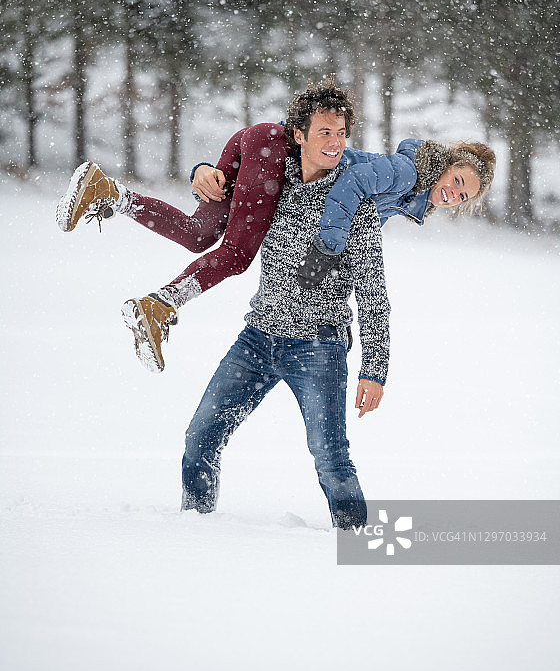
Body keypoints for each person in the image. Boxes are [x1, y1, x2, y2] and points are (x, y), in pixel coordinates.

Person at [56, 87, 495, 372]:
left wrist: (210, 170)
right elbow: (351, 182)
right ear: (447, 166)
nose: (455, 194)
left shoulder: (409, 193)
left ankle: (109, 195)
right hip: (271, 151)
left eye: (464, 197)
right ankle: (159, 306)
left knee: (197, 235)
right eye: (457, 181)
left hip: (260, 141)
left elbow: (353, 206)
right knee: (236, 255)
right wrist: (330, 243)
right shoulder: (405, 173)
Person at [180, 79, 386, 528]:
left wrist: (375, 367)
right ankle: (192, 531)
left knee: (331, 460)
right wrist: (200, 170)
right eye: (325, 132)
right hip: (258, 337)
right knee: (200, 438)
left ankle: (355, 540)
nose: (334, 143)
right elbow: (220, 183)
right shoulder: (273, 180)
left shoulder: (354, 201)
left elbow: (373, 292)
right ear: (299, 135)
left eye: (341, 134)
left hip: (319, 347)